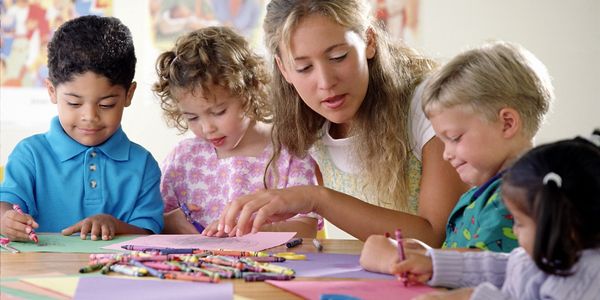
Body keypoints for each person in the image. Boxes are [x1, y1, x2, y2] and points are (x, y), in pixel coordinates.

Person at [215, 0, 467, 244]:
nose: (325, 82)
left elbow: (435, 235)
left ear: (369, 41)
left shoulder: (427, 104)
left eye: (338, 56)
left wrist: (317, 199)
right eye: (303, 68)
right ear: (283, 69)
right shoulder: (305, 125)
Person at [360, 40, 554, 273]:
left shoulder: (518, 199)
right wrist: (421, 251)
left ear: (507, 123)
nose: (446, 155)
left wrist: (404, 259)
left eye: (455, 138)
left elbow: (487, 268)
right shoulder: (481, 193)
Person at [0, 16, 164, 241]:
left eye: (106, 104)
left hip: (115, 274)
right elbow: (7, 204)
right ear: (51, 91)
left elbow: (149, 232)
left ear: (129, 94)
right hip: (41, 273)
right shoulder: (30, 155)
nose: (90, 117)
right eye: (74, 103)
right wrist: (5, 219)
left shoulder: (143, 165)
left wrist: (115, 225)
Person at [379, 136, 600, 299]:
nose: (514, 231)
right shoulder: (546, 254)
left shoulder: (588, 280)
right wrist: (434, 265)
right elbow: (500, 266)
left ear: (567, 227)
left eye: (520, 223)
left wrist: (470, 297)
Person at [153, 26, 319, 238]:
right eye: (192, 117)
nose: (207, 128)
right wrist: (167, 222)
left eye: (219, 112)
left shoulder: (290, 152)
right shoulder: (183, 158)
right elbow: (154, 222)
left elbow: (307, 228)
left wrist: (251, 230)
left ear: (250, 90)